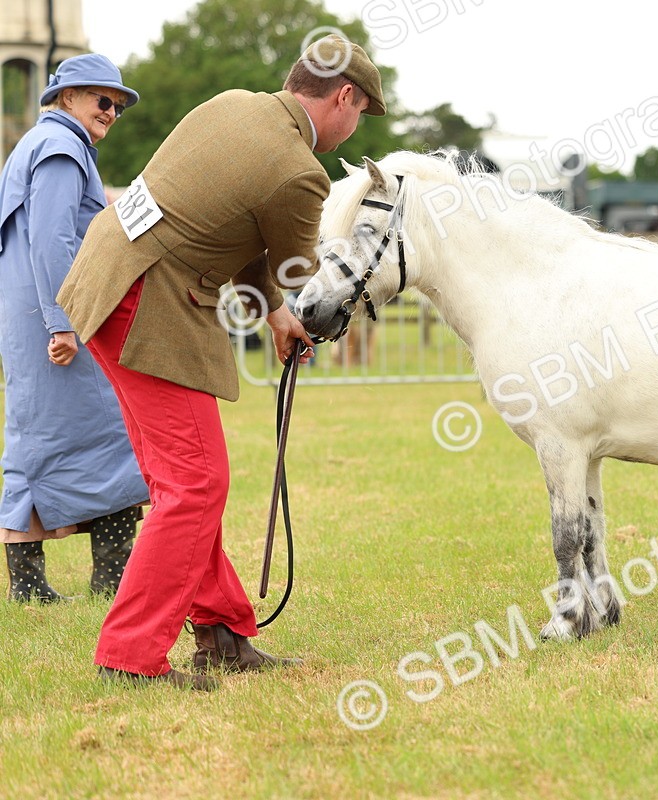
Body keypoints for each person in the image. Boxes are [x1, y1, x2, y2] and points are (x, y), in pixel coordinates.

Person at [57, 35, 387, 691]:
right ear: (343, 97)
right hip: (147, 303)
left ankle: (223, 631)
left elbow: (224, 226)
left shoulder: (233, 105)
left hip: (105, 276)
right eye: (361, 113)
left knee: (181, 479)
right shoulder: (300, 172)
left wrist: (273, 314)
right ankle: (130, 656)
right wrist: (293, 306)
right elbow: (293, 268)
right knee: (197, 484)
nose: (355, 129)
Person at [0, 54, 149, 603]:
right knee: (113, 432)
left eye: (117, 104)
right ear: (67, 98)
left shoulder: (39, 144)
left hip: (29, 315)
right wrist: (64, 323)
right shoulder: (62, 148)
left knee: (36, 438)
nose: (111, 110)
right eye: (101, 99)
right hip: (56, 317)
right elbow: (53, 240)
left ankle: (31, 586)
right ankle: (109, 580)